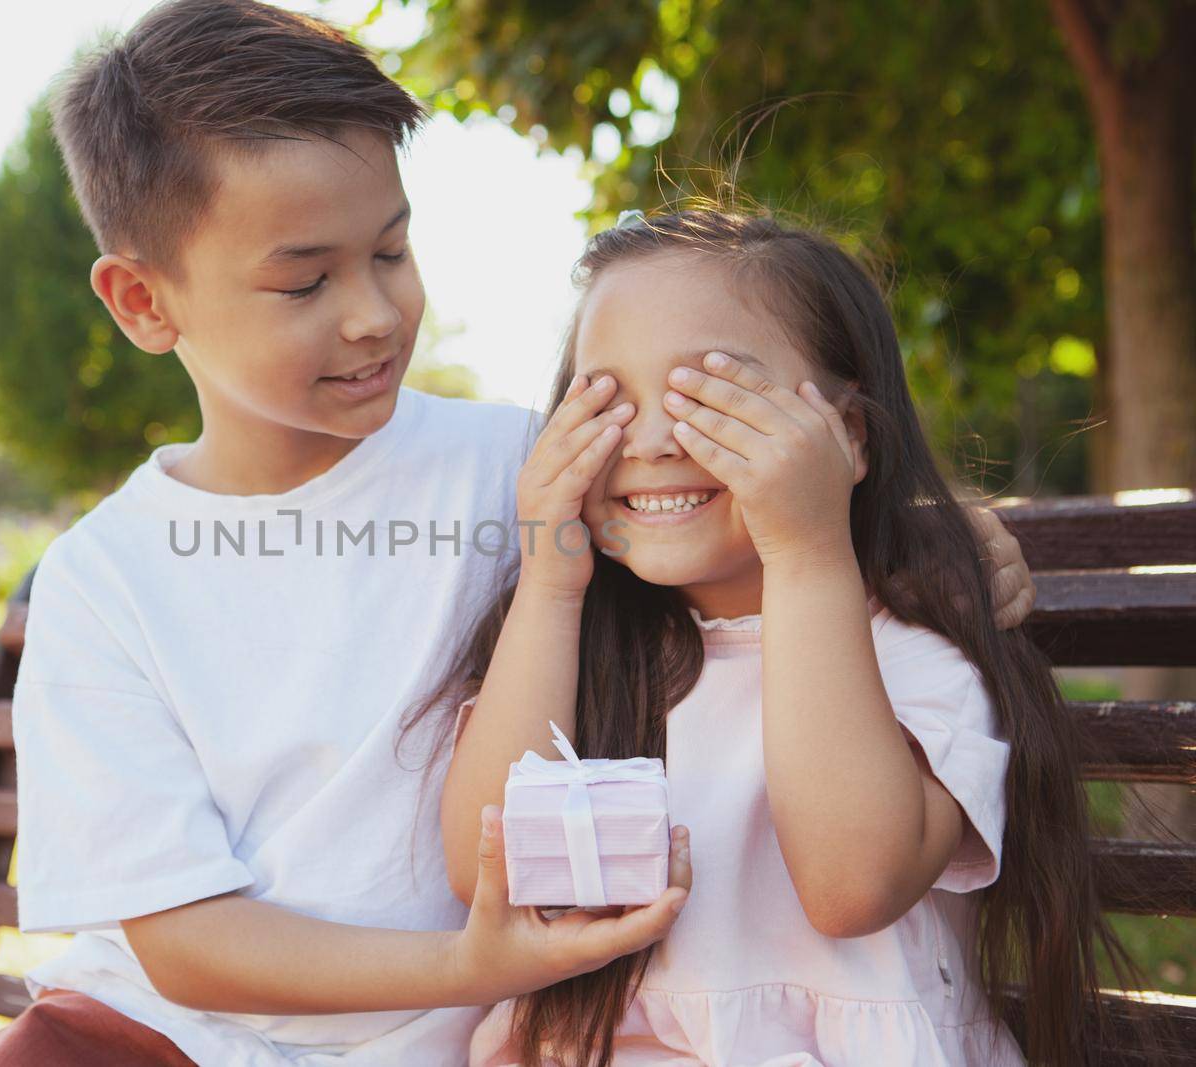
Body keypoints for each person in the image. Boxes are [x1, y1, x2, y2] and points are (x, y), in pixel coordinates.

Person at [0, 3, 1037, 1062]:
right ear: (142, 302)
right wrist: (470, 964)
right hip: (159, 1033)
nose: (372, 311)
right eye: (304, 279)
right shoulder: (103, 579)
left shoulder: (529, 465)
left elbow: (745, 493)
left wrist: (935, 532)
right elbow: (183, 946)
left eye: (391, 251)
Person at [422, 208, 1146, 1067]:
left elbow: (853, 887)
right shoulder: (577, 648)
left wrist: (805, 551)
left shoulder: (911, 648)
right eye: (606, 402)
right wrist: (549, 577)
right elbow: (484, 869)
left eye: (710, 395)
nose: (650, 440)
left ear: (848, 436)